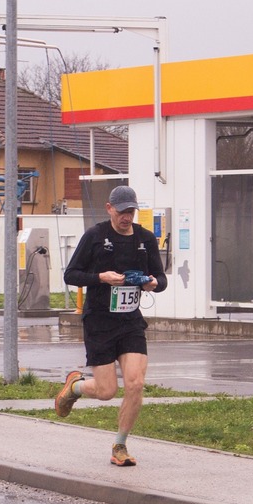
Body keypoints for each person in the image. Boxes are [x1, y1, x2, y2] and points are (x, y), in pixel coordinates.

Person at [55, 185, 167, 466]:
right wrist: (101, 277)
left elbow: (161, 278)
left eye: (131, 212)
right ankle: (75, 387)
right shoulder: (95, 236)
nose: (127, 217)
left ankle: (120, 445)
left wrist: (154, 283)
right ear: (109, 209)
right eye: (122, 212)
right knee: (106, 391)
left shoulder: (145, 238)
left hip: (130, 322)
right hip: (99, 322)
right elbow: (71, 275)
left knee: (136, 383)